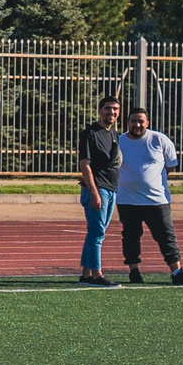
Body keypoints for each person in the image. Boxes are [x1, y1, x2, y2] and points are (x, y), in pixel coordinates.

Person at [115, 106, 183, 285]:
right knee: (131, 237)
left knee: (166, 236)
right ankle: (134, 271)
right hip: (128, 200)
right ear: (127, 123)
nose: (137, 125)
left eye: (140, 121)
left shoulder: (159, 139)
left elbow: (170, 165)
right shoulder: (119, 141)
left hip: (157, 200)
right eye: (133, 121)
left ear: (147, 123)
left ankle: (177, 272)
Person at [74, 94, 121, 285]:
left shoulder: (114, 134)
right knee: (97, 233)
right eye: (108, 108)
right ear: (100, 110)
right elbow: (85, 164)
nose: (111, 112)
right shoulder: (90, 133)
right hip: (98, 188)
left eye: (115, 109)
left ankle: (86, 274)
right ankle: (97, 275)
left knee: (96, 231)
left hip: (111, 187)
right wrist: (94, 192)